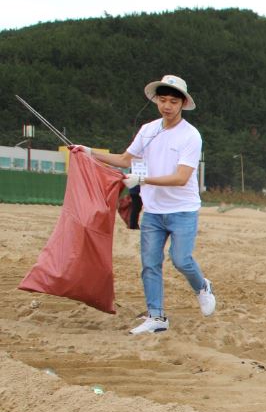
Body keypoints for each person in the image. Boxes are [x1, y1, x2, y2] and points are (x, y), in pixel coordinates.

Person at [71, 74, 215, 335]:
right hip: (153, 212)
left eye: (173, 101)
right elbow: (126, 159)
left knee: (181, 260)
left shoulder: (191, 136)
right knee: (150, 264)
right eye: (162, 100)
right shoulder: (148, 130)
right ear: (156, 101)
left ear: (182, 103)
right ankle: (157, 317)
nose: (167, 106)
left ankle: (201, 286)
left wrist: (143, 179)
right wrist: (89, 152)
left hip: (183, 210)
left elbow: (182, 178)